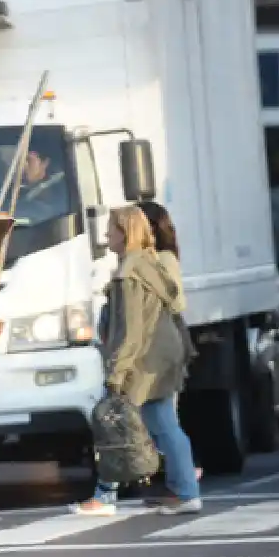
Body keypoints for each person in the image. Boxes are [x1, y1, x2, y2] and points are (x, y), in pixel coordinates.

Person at [71, 206, 195, 517]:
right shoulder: (146, 264)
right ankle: (185, 492)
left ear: (125, 233)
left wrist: (118, 370)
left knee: (113, 423)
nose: (105, 236)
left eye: (111, 229)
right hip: (160, 357)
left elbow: (132, 330)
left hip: (142, 361)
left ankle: (105, 497)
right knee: (163, 424)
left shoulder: (130, 274)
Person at [136, 200, 204, 509]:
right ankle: (181, 484)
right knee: (158, 420)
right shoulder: (146, 259)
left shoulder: (163, 260)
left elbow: (176, 302)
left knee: (163, 420)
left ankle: (186, 486)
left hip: (159, 349)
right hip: (152, 348)